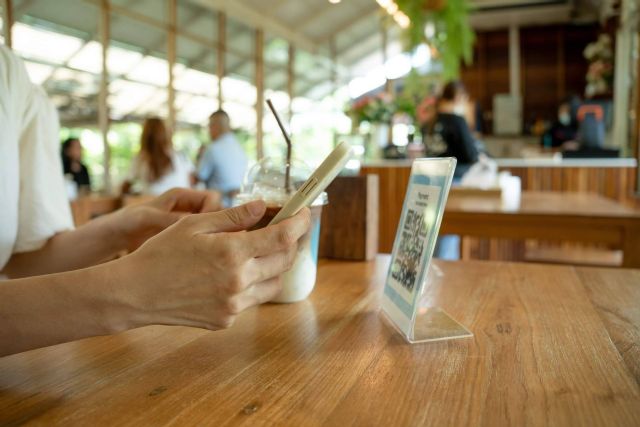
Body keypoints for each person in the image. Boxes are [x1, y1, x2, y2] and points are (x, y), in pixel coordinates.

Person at [0, 45, 311, 357]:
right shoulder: (183, 155)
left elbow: (23, 261)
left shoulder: (13, 76)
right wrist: (134, 291)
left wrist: (125, 227)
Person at [121, 117, 194, 195]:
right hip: (180, 202)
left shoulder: (140, 158)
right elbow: (192, 180)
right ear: (166, 134)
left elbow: (125, 187)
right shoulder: (179, 156)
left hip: (152, 203)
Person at [429, 80, 479, 179]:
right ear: (458, 97)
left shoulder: (431, 121)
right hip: (454, 177)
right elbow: (470, 154)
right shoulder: (457, 121)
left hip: (433, 175)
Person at [198, 110, 248, 207]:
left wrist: (200, 157)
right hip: (239, 205)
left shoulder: (213, 148)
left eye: (209, 127)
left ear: (215, 127)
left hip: (219, 207)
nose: (209, 131)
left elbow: (199, 177)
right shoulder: (240, 148)